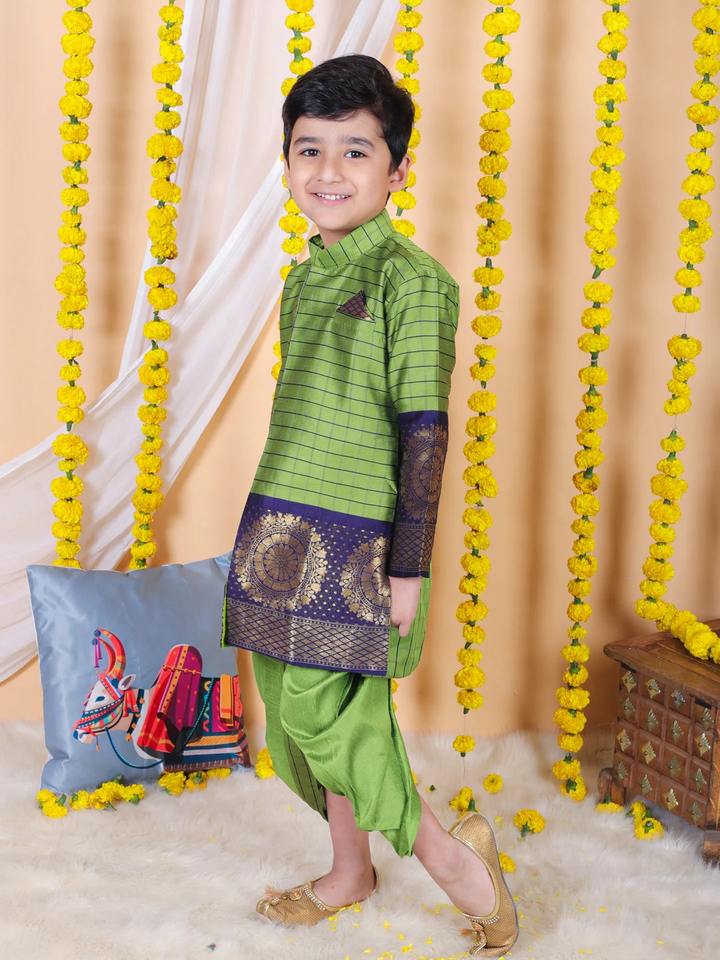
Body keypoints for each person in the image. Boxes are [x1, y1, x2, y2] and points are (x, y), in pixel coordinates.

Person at [220, 54, 518, 957]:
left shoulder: (413, 281)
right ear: (286, 163)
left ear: (398, 170)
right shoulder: (304, 278)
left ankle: (455, 863)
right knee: (295, 717)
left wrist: (407, 568)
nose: (329, 171)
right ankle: (349, 871)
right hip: (279, 526)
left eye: (356, 151)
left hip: (359, 544)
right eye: (309, 149)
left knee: (335, 715)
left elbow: (423, 432)